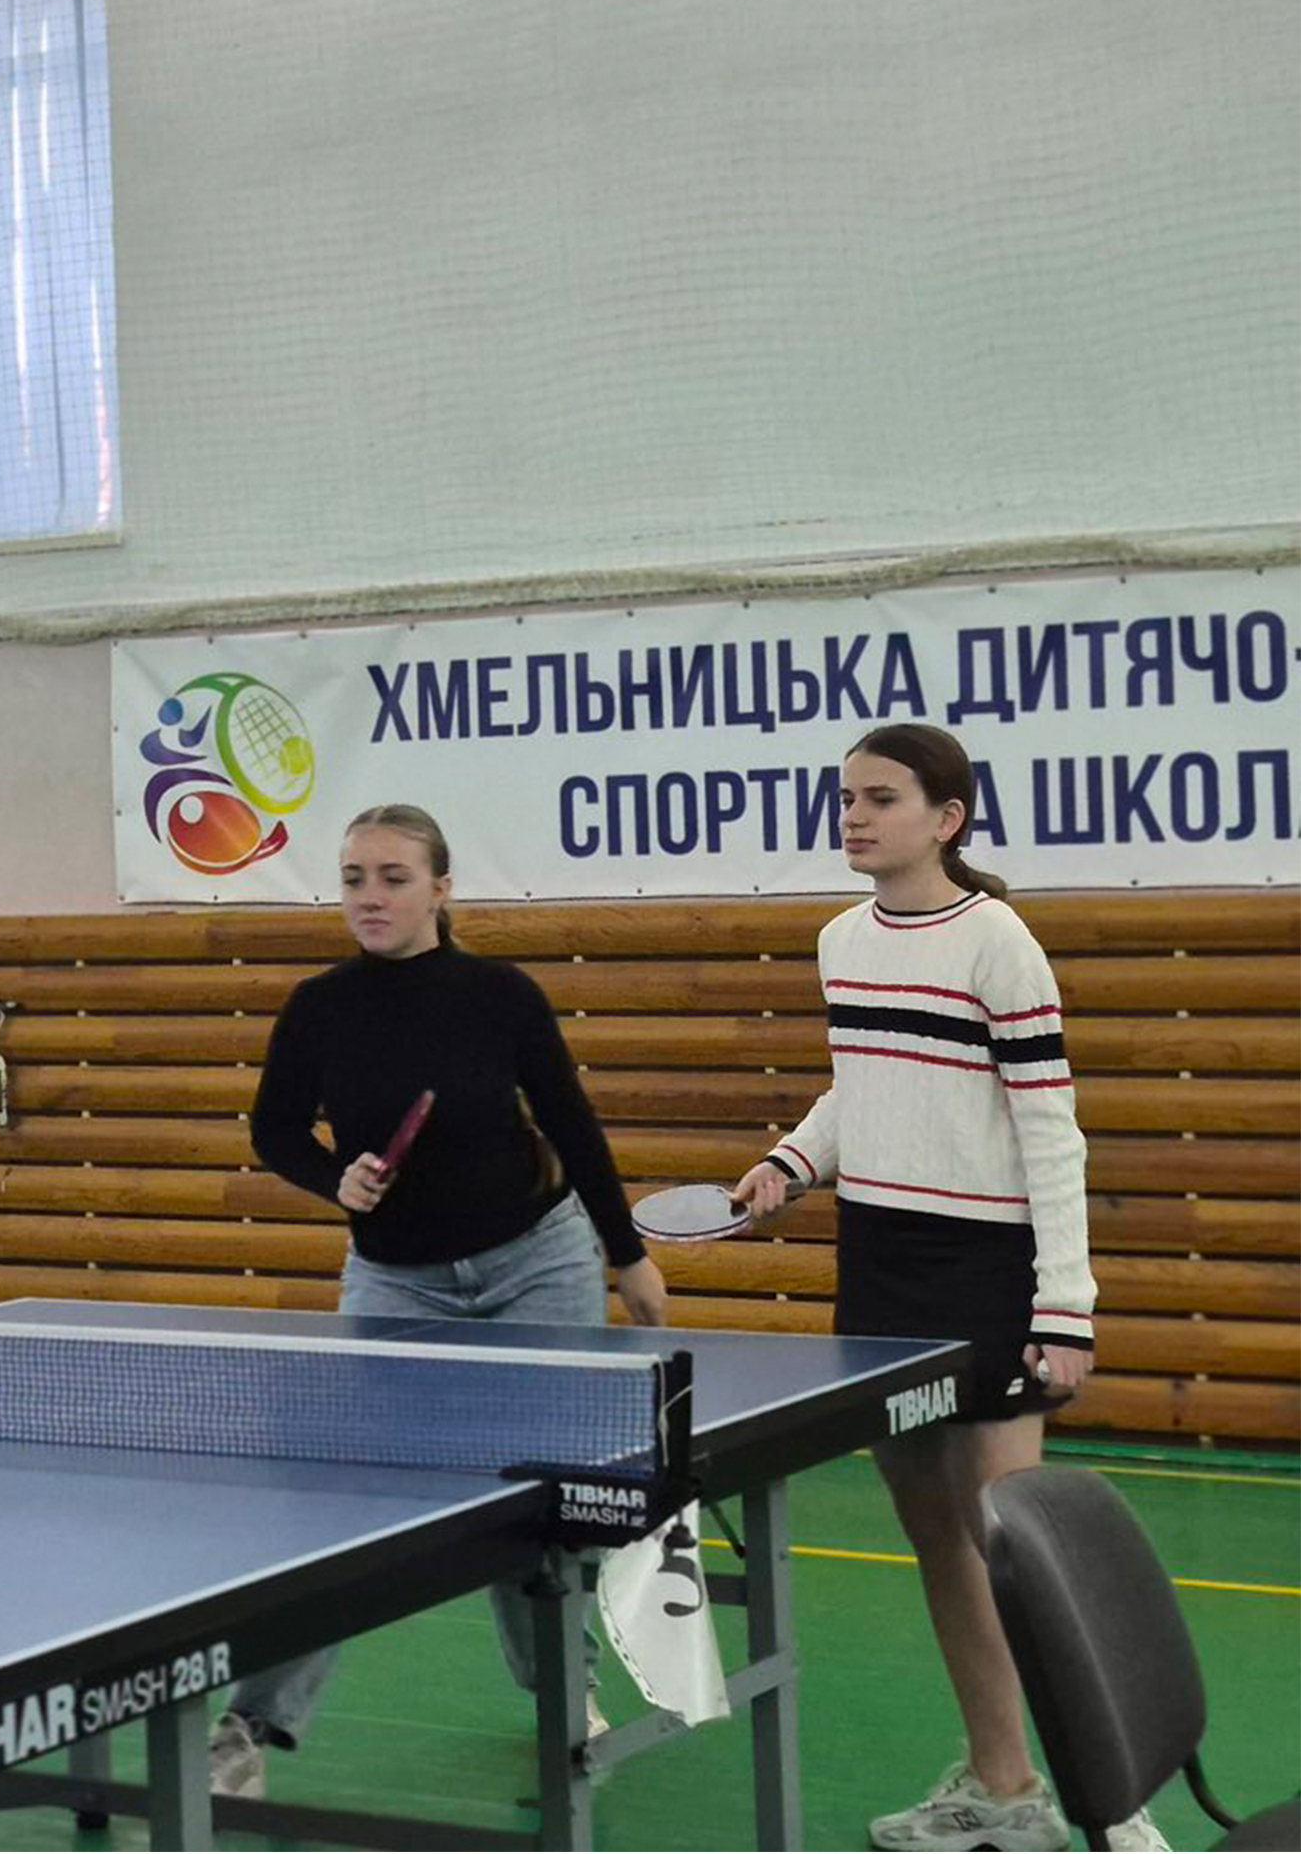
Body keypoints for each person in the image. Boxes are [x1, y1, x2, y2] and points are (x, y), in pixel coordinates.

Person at [730, 725, 1160, 1853]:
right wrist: (793, 1159)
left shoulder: (998, 943)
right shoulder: (840, 940)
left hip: (986, 1271)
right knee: (933, 1539)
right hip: (879, 1269)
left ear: (946, 818)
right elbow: (861, 1083)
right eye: (846, 798)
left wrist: (1064, 1308)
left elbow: (1049, 1130)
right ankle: (1004, 1785)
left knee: (1017, 1556)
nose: (853, 816)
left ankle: (1116, 1798)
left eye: (880, 798)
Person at [207, 804, 667, 1801]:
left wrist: (627, 1255)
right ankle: (249, 1724)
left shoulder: (499, 995)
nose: (369, 897)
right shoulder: (318, 1006)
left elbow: (570, 1122)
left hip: (534, 1264)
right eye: (353, 879)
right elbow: (274, 1130)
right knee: (344, 1500)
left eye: (392, 877)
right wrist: (333, 1178)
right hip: (395, 1280)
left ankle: (564, 1692)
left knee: (540, 1497)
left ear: (440, 889)